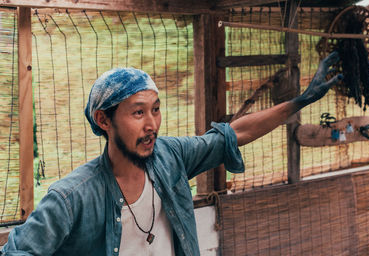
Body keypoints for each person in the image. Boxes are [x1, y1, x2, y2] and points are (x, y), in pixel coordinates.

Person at [1, 52, 342, 256]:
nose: (152, 125)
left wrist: (302, 100)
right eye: (138, 113)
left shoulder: (171, 156)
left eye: (156, 110)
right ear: (104, 120)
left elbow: (235, 133)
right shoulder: (72, 198)